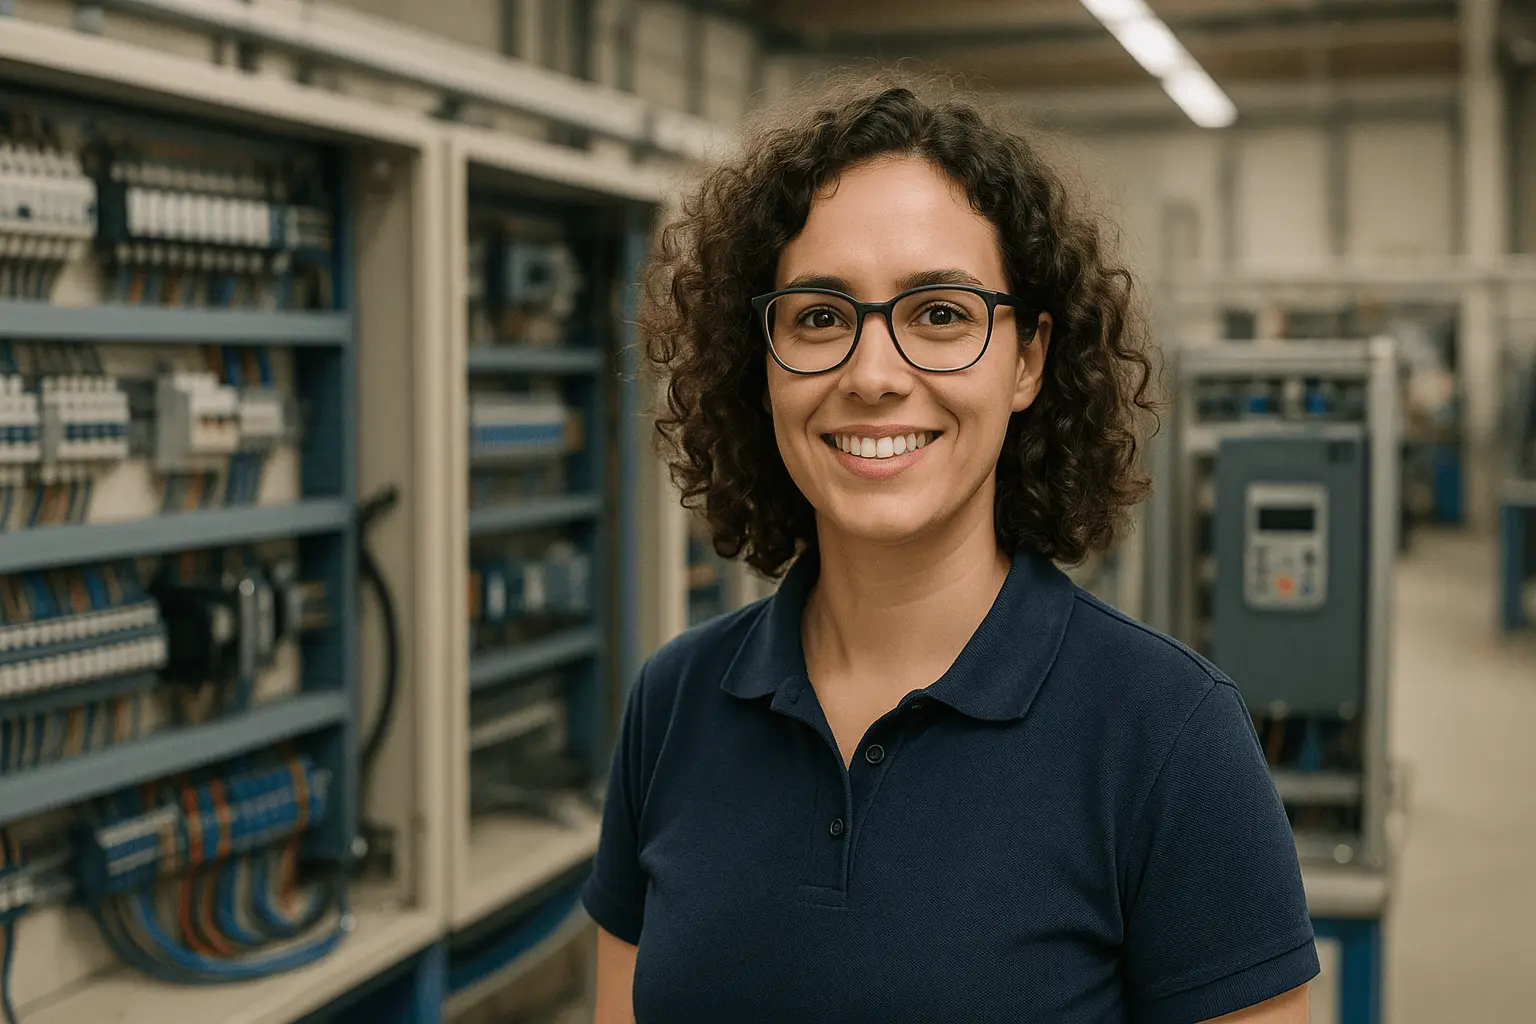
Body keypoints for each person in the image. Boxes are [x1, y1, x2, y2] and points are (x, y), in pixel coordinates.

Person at [585, 75, 1318, 1024]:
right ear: (758, 361)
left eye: (940, 314)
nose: (874, 375)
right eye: (819, 315)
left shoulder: (1168, 738)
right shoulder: (674, 703)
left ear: (1027, 360)